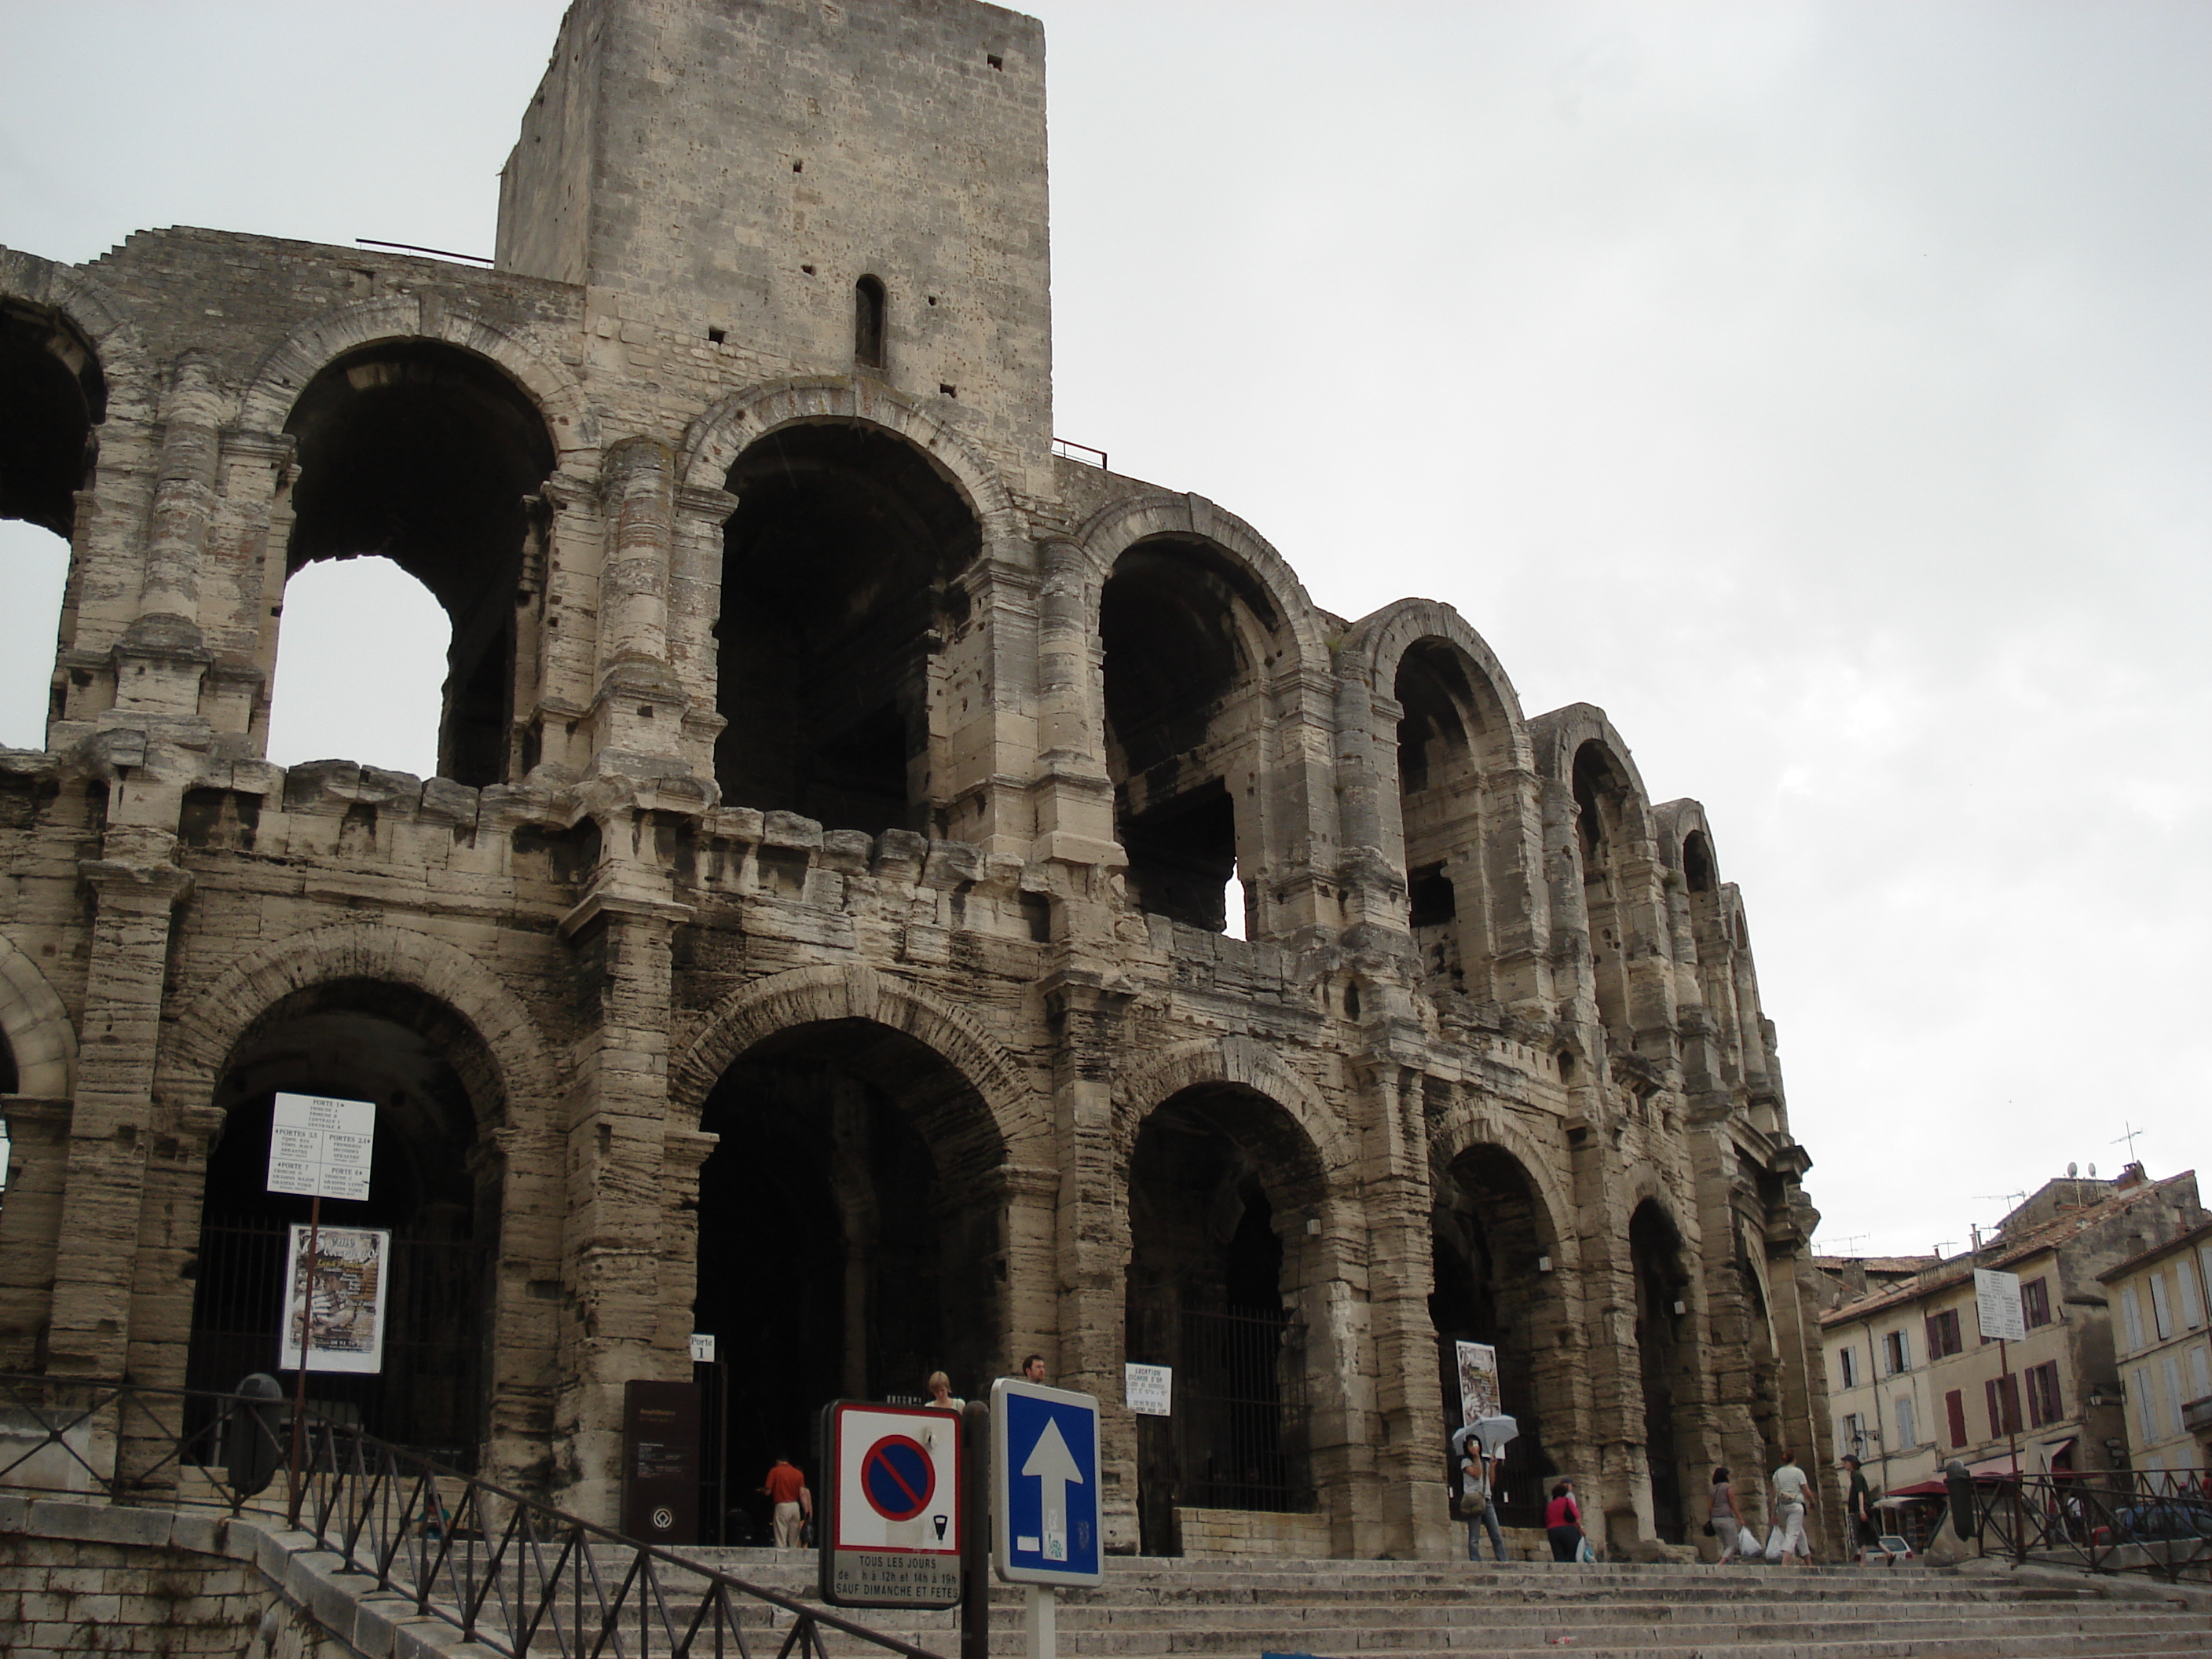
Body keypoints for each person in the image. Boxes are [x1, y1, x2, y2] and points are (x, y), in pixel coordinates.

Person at [1450, 1423, 1508, 1562]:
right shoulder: (1465, 1462)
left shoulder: (1485, 1463)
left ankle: (1503, 1559)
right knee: (1474, 1534)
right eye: (1471, 1444)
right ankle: (1475, 1559)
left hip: (1486, 1498)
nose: (1474, 1447)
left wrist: (1492, 1467)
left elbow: (1491, 1482)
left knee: (1495, 1533)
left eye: (1476, 1444)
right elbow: (1476, 1474)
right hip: (1474, 1499)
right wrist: (1476, 1457)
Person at [1769, 1451, 1813, 1566]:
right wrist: (1812, 1502)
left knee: (1799, 1533)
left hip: (1782, 1507)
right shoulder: (1798, 1472)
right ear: (1794, 1460)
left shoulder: (1777, 1474)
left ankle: (1809, 1563)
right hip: (1796, 1506)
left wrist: (1773, 1514)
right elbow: (1806, 1490)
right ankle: (1785, 1563)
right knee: (1792, 1534)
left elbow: (1774, 1495)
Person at [760, 1456, 811, 1549]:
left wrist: (761, 1490)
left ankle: (782, 1559)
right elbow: (803, 1494)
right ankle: (794, 1559)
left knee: (781, 1536)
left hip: (782, 1506)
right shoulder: (798, 1473)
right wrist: (806, 1511)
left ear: (778, 1461)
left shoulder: (774, 1471)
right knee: (794, 1538)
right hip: (795, 1507)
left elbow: (768, 1492)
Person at [1840, 1454, 1877, 1558]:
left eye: (1845, 1463)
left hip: (1859, 1509)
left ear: (1851, 1463)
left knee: (1860, 1535)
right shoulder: (1855, 1475)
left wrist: (1861, 1510)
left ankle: (1863, 1562)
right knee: (1868, 1534)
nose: (1844, 1465)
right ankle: (1888, 1553)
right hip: (1861, 1509)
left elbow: (1860, 1492)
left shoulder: (1856, 1475)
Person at [1708, 1466, 1746, 1562]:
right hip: (1726, 1518)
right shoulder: (1728, 1487)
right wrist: (1740, 1518)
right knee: (1733, 1544)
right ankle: (1721, 1563)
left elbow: (1710, 1507)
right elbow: (1732, 1504)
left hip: (1715, 1519)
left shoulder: (1712, 1489)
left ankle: (1730, 1564)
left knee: (1726, 1545)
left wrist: (1711, 1519)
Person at [1544, 1478, 1584, 1562]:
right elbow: (1576, 1514)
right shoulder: (1567, 1500)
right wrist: (1581, 1527)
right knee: (1572, 1556)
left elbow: (1547, 1519)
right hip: (1568, 1530)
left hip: (1553, 1532)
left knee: (1559, 1558)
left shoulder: (1550, 1505)